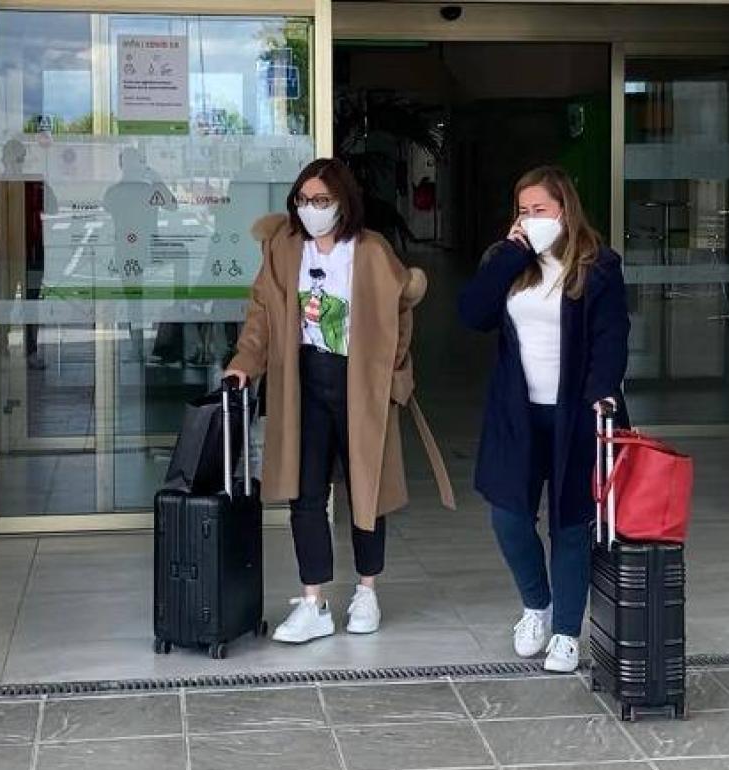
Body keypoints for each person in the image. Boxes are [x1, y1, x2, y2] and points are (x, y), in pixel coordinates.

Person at [224, 158, 454, 645]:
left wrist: (392, 368)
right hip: (303, 381)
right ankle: (313, 601)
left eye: (321, 200)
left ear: (343, 203)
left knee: (367, 488)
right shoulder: (284, 248)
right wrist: (245, 362)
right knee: (305, 490)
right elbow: (261, 313)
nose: (311, 209)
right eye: (303, 200)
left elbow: (401, 311)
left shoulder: (370, 251)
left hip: (360, 383)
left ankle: (367, 591)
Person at [458, 165, 629, 673]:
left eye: (541, 209)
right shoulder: (509, 262)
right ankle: (537, 605)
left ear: (565, 210)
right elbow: (473, 314)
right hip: (516, 413)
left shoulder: (598, 266)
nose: (532, 218)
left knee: (571, 525)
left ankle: (566, 632)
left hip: (578, 413)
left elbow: (612, 336)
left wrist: (603, 393)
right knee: (508, 515)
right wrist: (513, 253)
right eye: (524, 210)